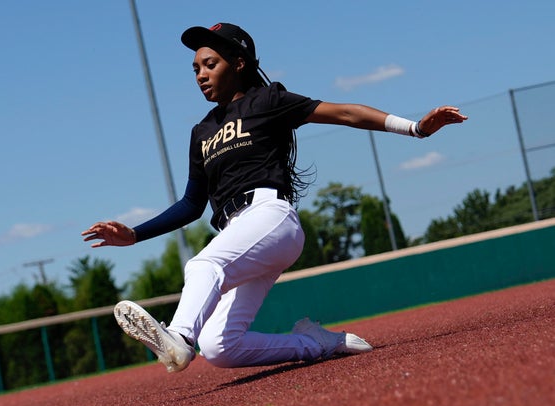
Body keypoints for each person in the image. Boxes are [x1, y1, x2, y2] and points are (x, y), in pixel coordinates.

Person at [82, 22, 467, 373]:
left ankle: (179, 337)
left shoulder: (269, 100)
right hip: (240, 235)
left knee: (202, 266)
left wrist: (415, 128)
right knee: (219, 347)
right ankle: (315, 343)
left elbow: (347, 113)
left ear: (239, 63)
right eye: (196, 68)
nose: (200, 74)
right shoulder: (201, 132)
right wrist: (134, 234)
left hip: (271, 217)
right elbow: (191, 205)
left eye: (210, 64)